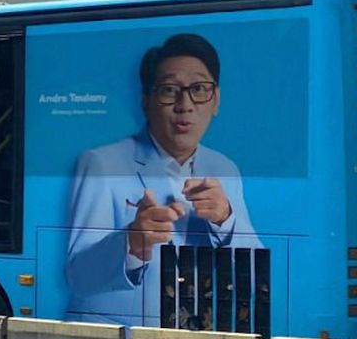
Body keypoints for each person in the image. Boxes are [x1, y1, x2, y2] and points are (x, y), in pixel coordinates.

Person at [65, 33, 256, 323]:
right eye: (169, 90)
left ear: (215, 100)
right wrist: (132, 244)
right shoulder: (102, 164)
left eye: (199, 89)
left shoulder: (224, 168)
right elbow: (78, 276)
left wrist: (227, 220)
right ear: (146, 100)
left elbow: (255, 276)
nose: (185, 104)